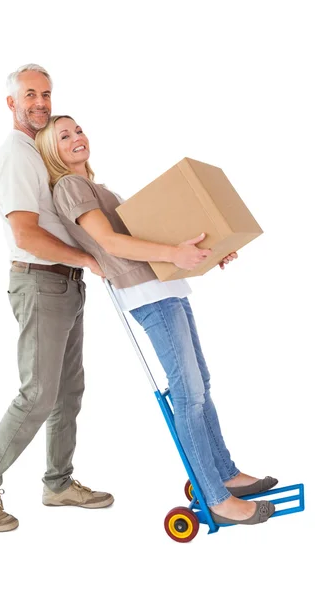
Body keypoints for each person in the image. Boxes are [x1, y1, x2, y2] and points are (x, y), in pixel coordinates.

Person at [35, 114, 278, 525]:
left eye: (78, 130)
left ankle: (227, 474)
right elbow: (110, 242)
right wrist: (176, 256)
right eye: (64, 135)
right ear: (50, 151)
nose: (77, 137)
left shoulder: (98, 186)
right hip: (147, 293)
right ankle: (216, 496)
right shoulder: (70, 186)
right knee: (188, 394)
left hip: (166, 287)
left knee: (200, 384)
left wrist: (208, 252)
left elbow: (150, 235)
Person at [0, 67, 114, 533]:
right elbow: (26, 232)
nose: (40, 103)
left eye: (46, 94)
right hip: (41, 282)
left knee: (68, 392)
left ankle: (58, 482)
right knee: (37, 395)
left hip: (64, 284)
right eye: (30, 95)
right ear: (11, 103)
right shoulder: (16, 156)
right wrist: (86, 258)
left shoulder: (39, 154)